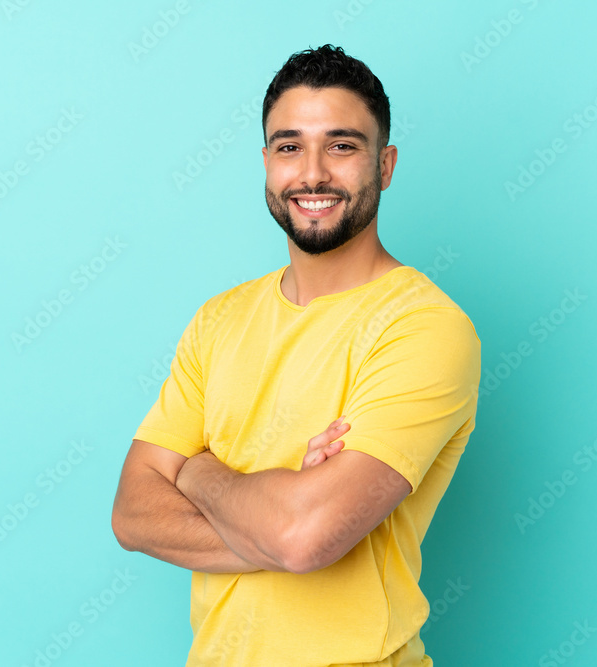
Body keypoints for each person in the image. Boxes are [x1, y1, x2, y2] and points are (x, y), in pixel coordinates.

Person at [111, 44, 481, 666]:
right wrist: (278, 523)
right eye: (289, 147)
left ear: (385, 165)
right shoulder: (219, 319)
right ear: (266, 163)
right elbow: (132, 515)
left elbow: (304, 538)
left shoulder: (424, 327)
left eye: (342, 146)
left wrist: (198, 472)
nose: (312, 174)